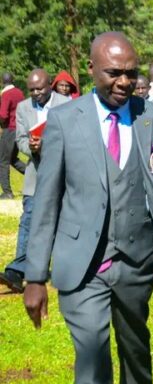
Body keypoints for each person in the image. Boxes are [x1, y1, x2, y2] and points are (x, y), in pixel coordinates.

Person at [22, 32, 153, 384]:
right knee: (91, 352)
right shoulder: (64, 121)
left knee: (135, 352)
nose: (124, 82)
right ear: (91, 69)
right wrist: (35, 275)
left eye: (131, 74)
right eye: (114, 73)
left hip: (136, 262)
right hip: (82, 264)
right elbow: (47, 201)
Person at [0, 69, 69, 293]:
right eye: (32, 90)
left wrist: (47, 143)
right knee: (29, 219)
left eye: (40, 88)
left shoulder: (66, 103)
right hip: (35, 173)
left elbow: (74, 137)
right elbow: (19, 138)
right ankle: (16, 273)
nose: (36, 93)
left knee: (61, 222)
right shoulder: (23, 107)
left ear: (50, 84)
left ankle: (60, 268)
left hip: (64, 173)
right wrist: (30, 147)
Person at [0, 72, 26, 199]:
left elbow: (3, 115)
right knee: (13, 159)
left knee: (3, 161)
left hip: (9, 130)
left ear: (2, 81)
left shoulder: (5, 94)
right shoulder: (19, 92)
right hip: (19, 129)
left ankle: (7, 192)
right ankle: (37, 178)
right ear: (13, 80)